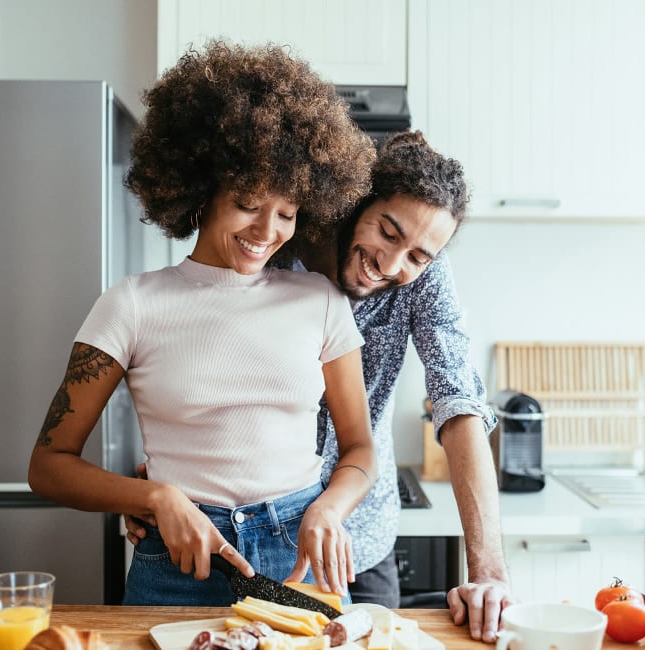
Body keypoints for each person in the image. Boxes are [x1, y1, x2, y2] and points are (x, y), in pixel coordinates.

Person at [28, 39, 378, 607]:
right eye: (247, 202)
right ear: (201, 189)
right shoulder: (131, 305)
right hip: (176, 559)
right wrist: (153, 499)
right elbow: (48, 466)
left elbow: (360, 447)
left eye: (287, 213)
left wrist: (329, 508)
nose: (267, 230)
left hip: (297, 557)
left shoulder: (320, 301)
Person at [127, 130, 515, 641]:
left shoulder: (424, 274)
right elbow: (195, 357)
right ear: (358, 202)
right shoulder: (271, 246)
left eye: (418, 255)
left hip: (354, 543)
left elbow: (458, 399)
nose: (393, 265)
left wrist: (487, 571)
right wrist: (167, 478)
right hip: (230, 538)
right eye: (387, 232)